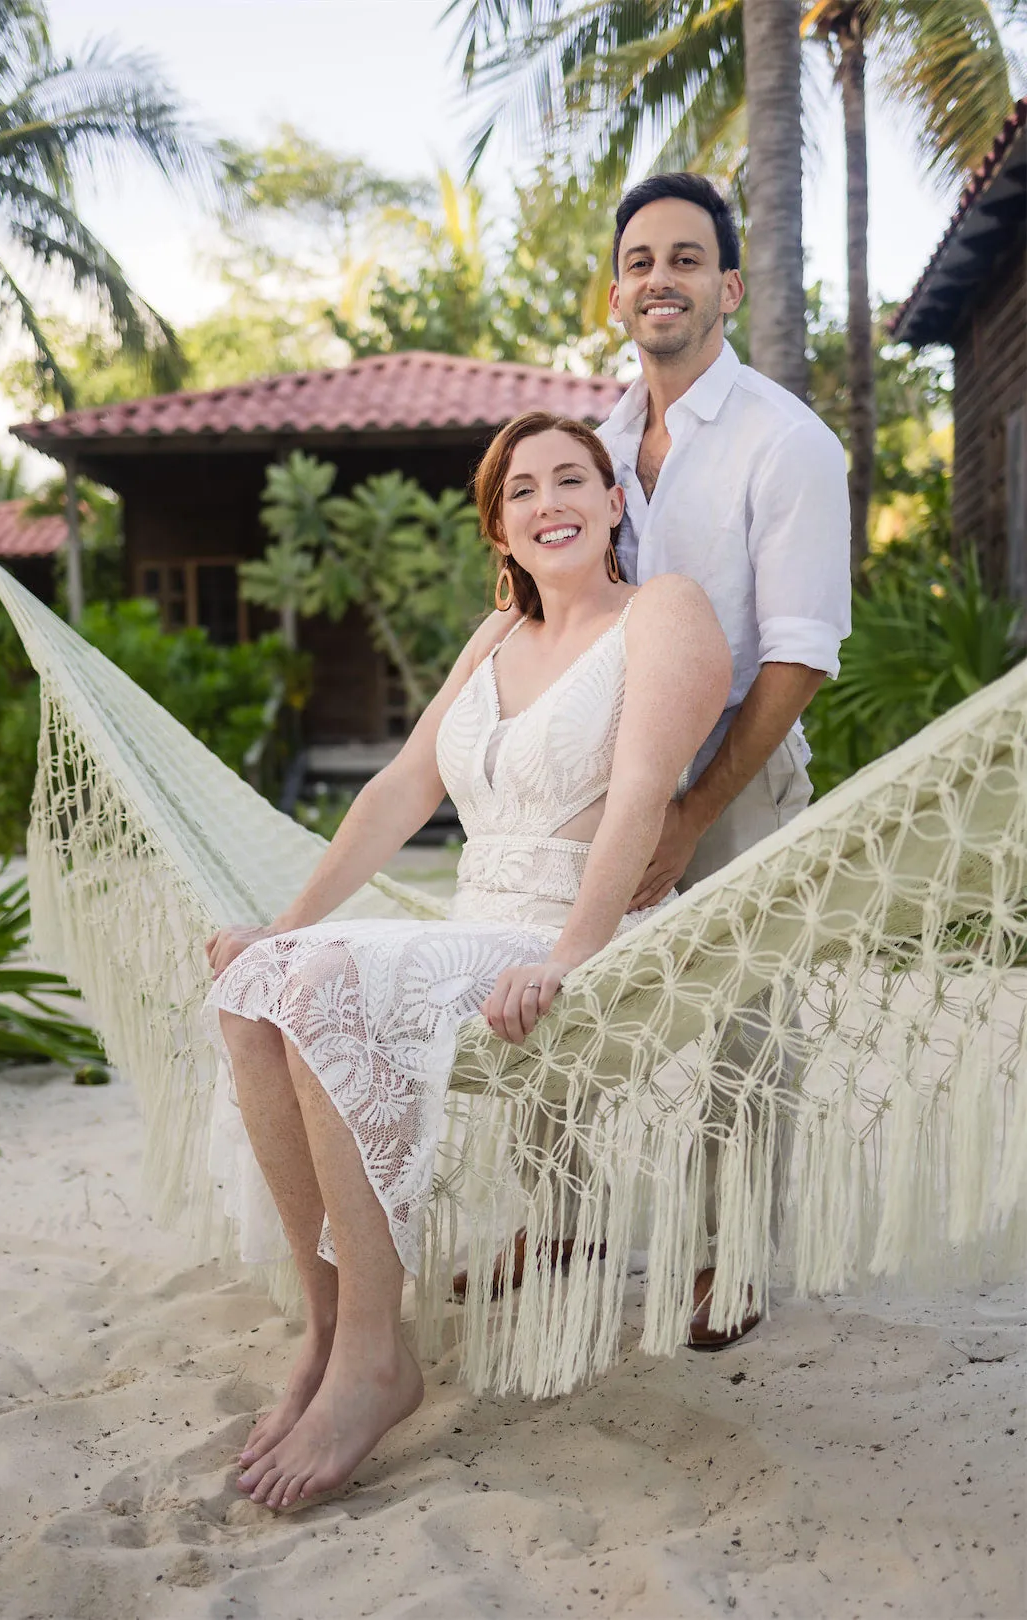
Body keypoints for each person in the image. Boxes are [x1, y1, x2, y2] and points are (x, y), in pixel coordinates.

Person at [204, 412, 732, 1510]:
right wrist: (286, 920)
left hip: (578, 932)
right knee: (262, 983)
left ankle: (372, 1359)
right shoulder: (496, 636)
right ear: (499, 526)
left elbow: (643, 793)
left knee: (326, 989)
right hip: (472, 923)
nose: (552, 503)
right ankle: (331, 1331)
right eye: (525, 490)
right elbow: (405, 787)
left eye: (573, 480)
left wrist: (573, 955)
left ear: (614, 500)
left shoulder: (662, 614)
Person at [464, 174, 852, 1347]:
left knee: (742, 1023)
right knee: (557, 981)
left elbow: (797, 659)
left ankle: (730, 1259)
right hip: (605, 768)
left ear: (728, 287)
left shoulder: (789, 444)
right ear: (619, 290)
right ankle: (565, 1220)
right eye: (640, 261)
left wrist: (690, 810)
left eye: (687, 259)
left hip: (735, 768)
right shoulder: (602, 439)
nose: (660, 279)